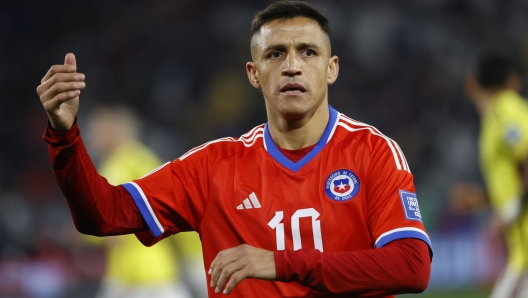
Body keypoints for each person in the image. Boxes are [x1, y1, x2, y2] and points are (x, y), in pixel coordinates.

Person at [36, 1, 432, 297]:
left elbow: (412, 267)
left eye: (308, 52)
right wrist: (65, 137)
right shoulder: (214, 166)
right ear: (253, 73)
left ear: (332, 68)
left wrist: (277, 262)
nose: (292, 66)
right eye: (275, 54)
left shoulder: (373, 151)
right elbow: (102, 215)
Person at [82, 105, 205, 298]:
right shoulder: (118, 162)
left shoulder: (133, 161)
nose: (91, 135)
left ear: (114, 131)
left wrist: (194, 256)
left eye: (97, 129)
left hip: (149, 277)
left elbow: (176, 204)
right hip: (127, 275)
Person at [465, 52, 528, 298]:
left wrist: (510, 210)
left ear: (472, 85)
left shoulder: (504, 109)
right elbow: (517, 177)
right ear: (512, 80)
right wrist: (484, 199)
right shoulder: (496, 117)